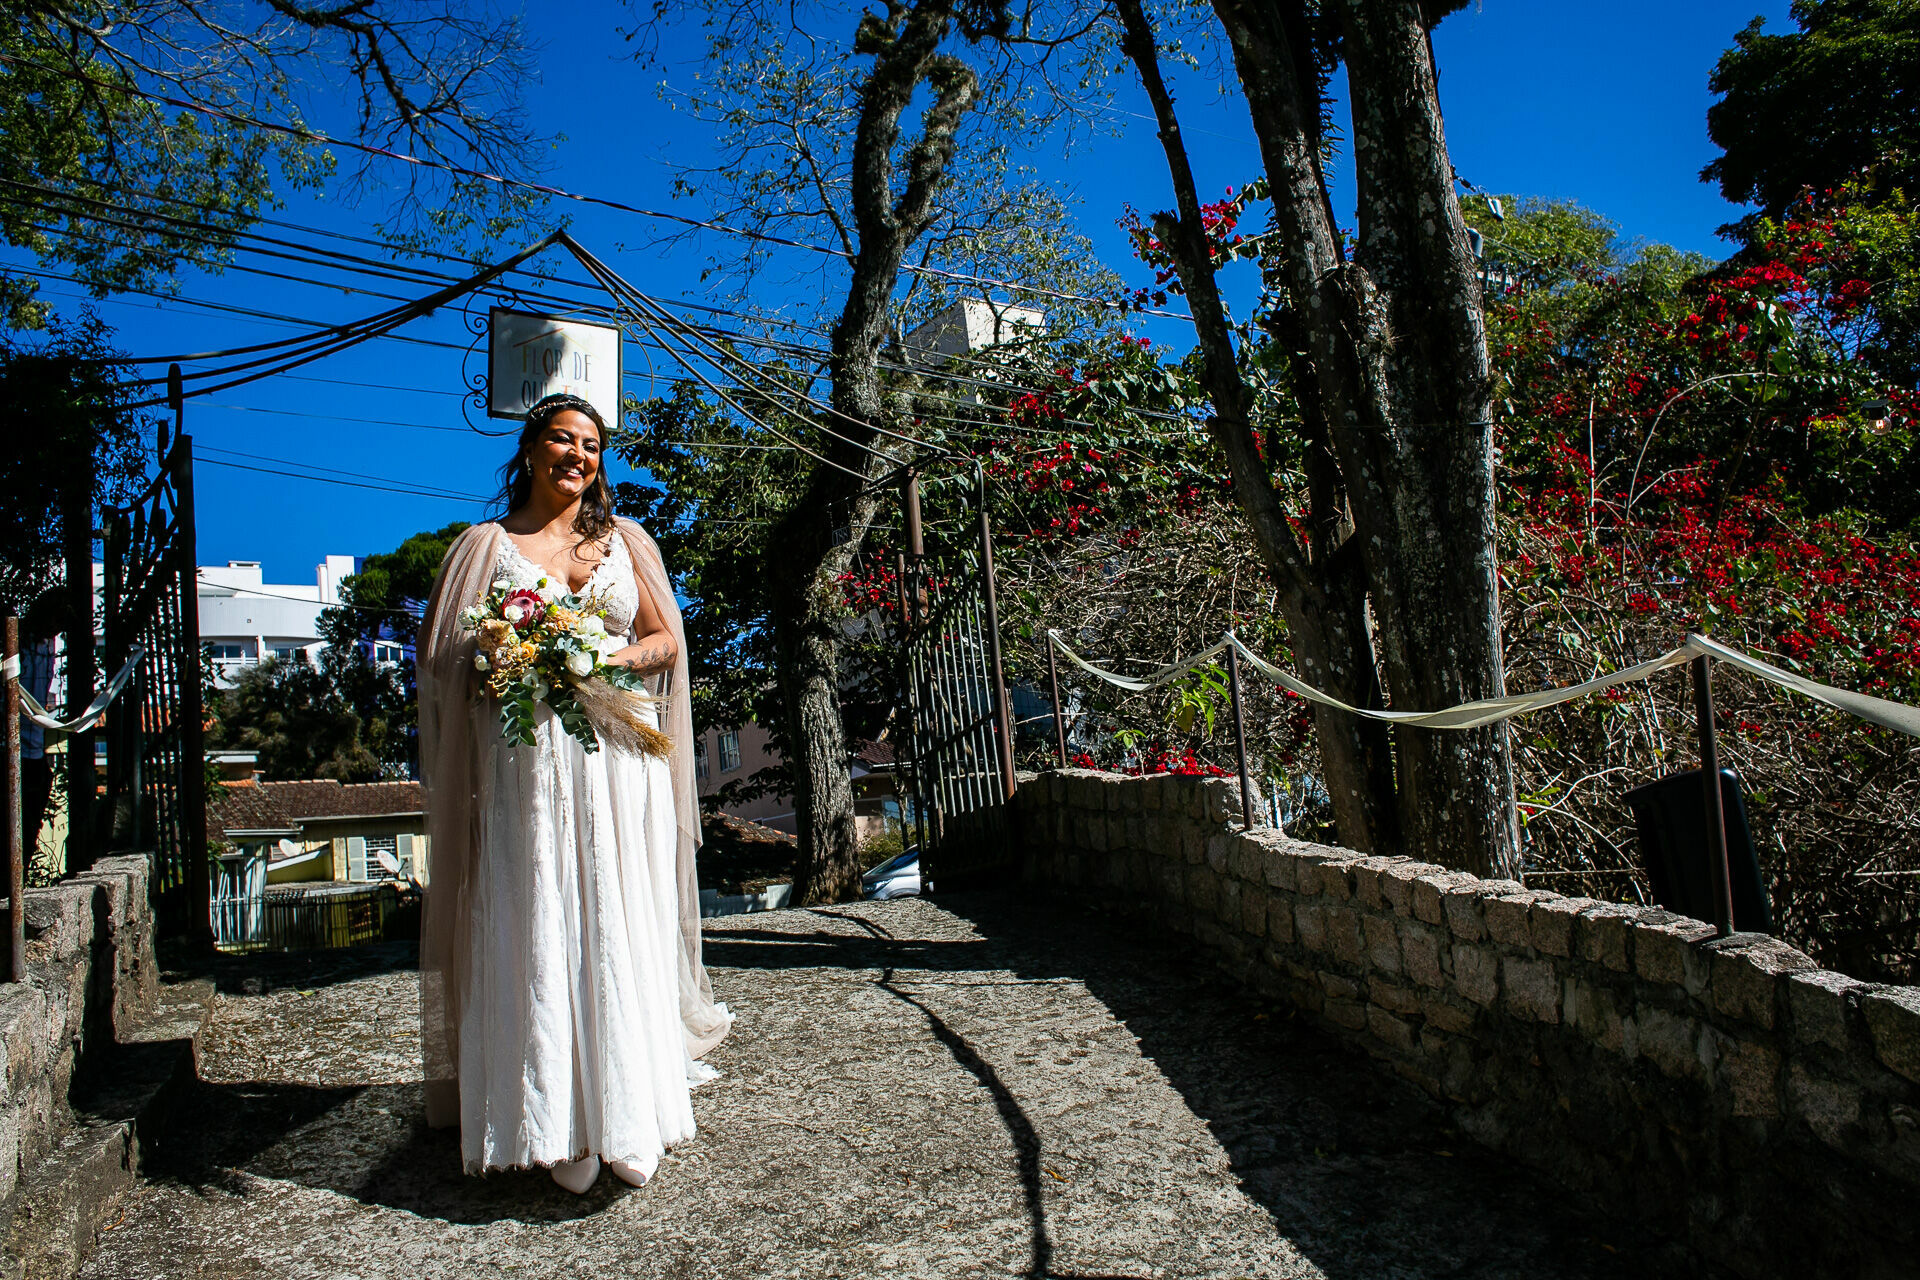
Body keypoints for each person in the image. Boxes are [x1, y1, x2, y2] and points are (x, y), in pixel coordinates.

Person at [416, 393, 731, 1193]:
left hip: (620, 760)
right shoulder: (485, 547)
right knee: (540, 912)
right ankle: (557, 1121)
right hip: (526, 764)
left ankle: (629, 1109)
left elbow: (665, 640)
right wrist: (504, 659)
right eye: (563, 439)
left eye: (591, 444)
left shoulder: (625, 542)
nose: (578, 455)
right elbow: (440, 663)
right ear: (528, 449)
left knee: (617, 912)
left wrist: (600, 663)